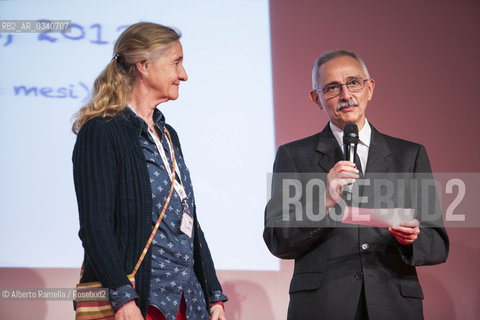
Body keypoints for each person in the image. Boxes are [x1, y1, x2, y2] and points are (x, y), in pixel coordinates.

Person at [263, 50, 449, 320]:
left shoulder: (409, 155)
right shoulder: (294, 156)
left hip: (393, 303)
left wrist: (411, 238)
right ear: (317, 98)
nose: (346, 95)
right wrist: (323, 201)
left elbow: (437, 242)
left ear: (369, 88)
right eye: (332, 88)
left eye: (353, 83)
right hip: (323, 305)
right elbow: (276, 238)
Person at [72, 22, 227, 320]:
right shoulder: (102, 132)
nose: (184, 74)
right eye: (176, 63)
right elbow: (95, 226)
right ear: (143, 65)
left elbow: (189, 221)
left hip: (185, 298)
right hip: (139, 299)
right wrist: (122, 298)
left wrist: (213, 296)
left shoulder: (168, 134)